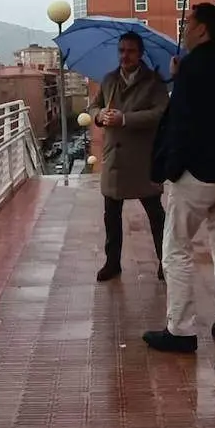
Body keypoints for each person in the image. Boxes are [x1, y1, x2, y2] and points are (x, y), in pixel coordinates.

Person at [143, 3, 215, 353]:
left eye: (188, 22)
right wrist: (180, 73)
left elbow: (183, 123)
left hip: (196, 173)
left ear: (202, 29)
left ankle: (181, 330)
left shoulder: (192, 66)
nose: (184, 28)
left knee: (176, 249)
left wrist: (169, 169)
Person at [88, 31, 170, 282]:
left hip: (142, 158)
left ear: (140, 53)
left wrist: (126, 119)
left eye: (131, 51)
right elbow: (93, 106)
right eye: (121, 50)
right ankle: (112, 263)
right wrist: (100, 115)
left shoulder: (154, 82)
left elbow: (161, 113)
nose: (125, 55)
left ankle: (165, 263)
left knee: (156, 215)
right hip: (115, 159)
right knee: (111, 216)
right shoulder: (109, 80)